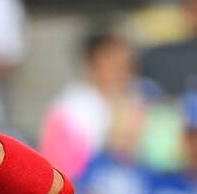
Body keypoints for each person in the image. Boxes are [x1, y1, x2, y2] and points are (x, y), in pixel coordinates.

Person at [39, 30, 138, 182]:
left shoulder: (138, 96)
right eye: (113, 62)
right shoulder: (69, 107)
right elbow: (60, 169)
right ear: (92, 62)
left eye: (126, 64)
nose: (121, 71)